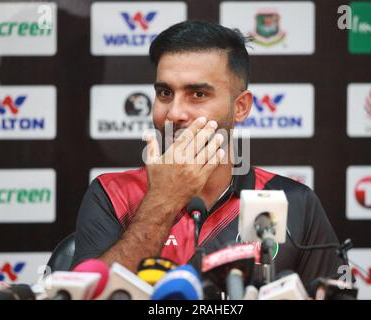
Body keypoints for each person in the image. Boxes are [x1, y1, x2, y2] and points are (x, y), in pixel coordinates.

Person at [71, 21, 345, 287]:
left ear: (240, 107)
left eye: (198, 94)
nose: (175, 113)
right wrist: (162, 201)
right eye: (165, 92)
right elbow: (88, 295)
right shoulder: (111, 194)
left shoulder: (296, 202)